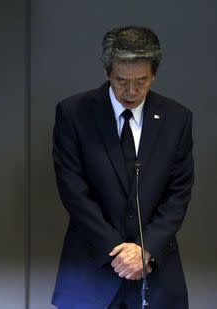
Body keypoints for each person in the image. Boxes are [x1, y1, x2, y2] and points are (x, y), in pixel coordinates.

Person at [52, 26, 194, 308]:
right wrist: (117, 253)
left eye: (141, 81)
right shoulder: (74, 113)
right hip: (91, 269)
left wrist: (146, 249)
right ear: (107, 73)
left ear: (154, 74)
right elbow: (73, 190)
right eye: (121, 80)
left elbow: (179, 192)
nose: (131, 91)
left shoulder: (177, 118)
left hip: (156, 274)